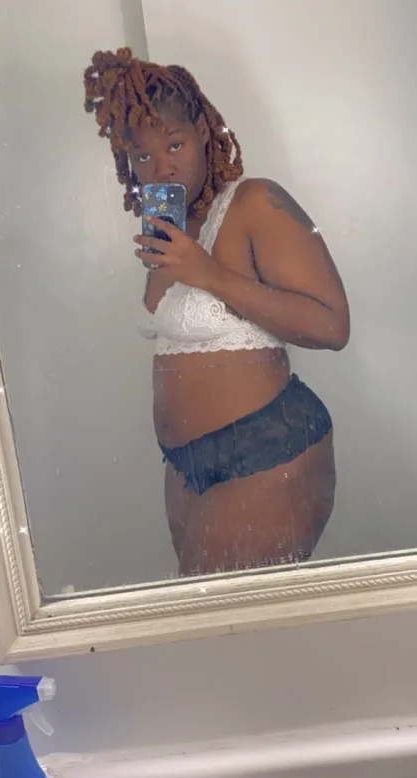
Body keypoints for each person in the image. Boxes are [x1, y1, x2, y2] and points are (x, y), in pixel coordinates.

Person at [83, 47, 350, 577]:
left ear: (204, 132)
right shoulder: (171, 229)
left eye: (174, 144)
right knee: (205, 617)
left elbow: (332, 326)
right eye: (142, 157)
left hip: (267, 450)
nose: (161, 168)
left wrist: (208, 274)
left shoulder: (253, 203)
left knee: (215, 620)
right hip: (186, 466)